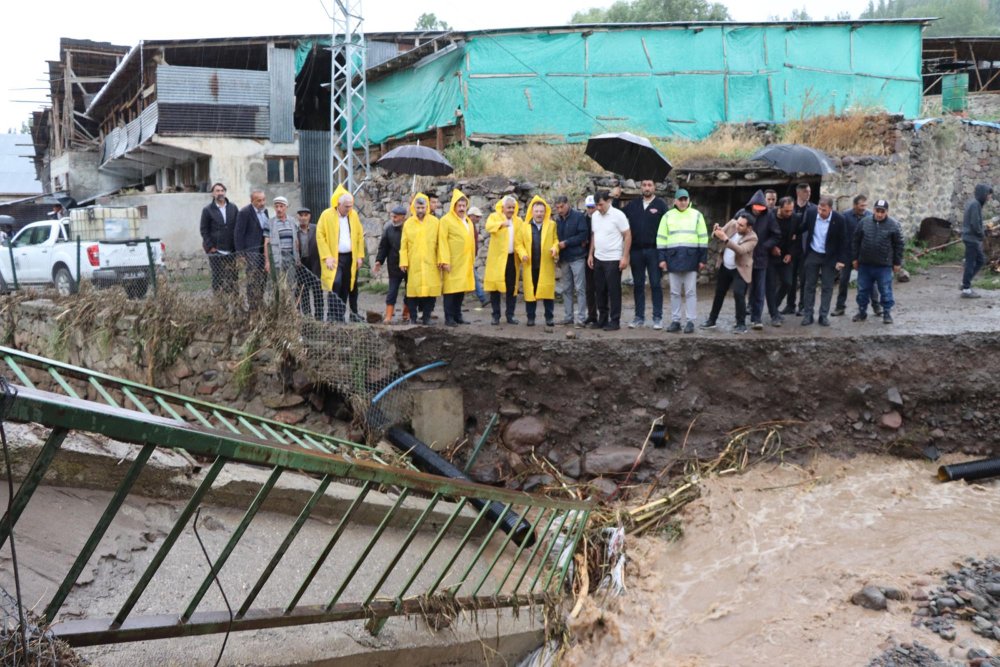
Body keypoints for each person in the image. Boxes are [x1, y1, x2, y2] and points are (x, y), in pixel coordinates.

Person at [614, 180, 667, 329]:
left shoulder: (661, 205)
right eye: (644, 185)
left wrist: (665, 253)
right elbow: (619, 215)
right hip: (636, 250)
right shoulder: (634, 204)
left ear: (654, 187)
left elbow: (668, 226)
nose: (647, 188)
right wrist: (617, 199)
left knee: (655, 284)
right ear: (641, 187)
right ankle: (639, 317)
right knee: (638, 285)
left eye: (650, 185)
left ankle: (657, 318)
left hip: (654, 250)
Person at [656, 188, 707, 334]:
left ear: (689, 200)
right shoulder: (667, 216)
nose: (683, 202)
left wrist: (703, 258)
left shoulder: (697, 215)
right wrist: (662, 259)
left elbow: (703, 238)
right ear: (675, 201)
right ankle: (676, 320)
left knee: (691, 291)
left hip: (691, 258)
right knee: (674, 292)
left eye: (685, 199)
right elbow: (661, 238)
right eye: (681, 199)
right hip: (673, 258)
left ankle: (690, 321)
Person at [701, 211, 758, 334]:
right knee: (719, 293)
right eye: (738, 223)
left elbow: (741, 250)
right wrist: (716, 231)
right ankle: (712, 320)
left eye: (741, 225)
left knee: (739, 294)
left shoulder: (753, 238)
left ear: (749, 228)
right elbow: (716, 235)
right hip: (725, 266)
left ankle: (741, 324)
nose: (738, 226)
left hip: (740, 269)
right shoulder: (732, 223)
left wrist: (725, 238)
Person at [316, 184, 364, 323]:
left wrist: (360, 256)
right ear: (339, 204)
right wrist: (327, 257)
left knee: (348, 285)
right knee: (335, 283)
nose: (349, 209)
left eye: (351, 206)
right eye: (347, 206)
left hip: (351, 257)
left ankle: (343, 315)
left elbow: (359, 236)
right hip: (334, 258)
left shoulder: (353, 215)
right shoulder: (326, 215)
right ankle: (333, 314)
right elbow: (320, 236)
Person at [799, 195, 849, 326]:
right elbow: (802, 227)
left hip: (830, 256)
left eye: (824, 210)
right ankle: (808, 315)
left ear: (830, 209)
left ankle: (823, 316)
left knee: (827, 286)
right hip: (813, 253)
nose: (821, 212)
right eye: (819, 209)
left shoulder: (839, 219)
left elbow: (843, 241)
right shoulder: (811, 213)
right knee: (809, 285)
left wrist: (841, 260)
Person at [852, 199, 904, 324]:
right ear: (873, 210)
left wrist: (897, 262)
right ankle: (862, 311)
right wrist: (854, 258)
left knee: (885, 290)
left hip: (884, 266)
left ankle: (886, 313)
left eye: (882, 211)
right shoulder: (864, 222)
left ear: (887, 212)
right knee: (862, 290)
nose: (879, 214)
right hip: (865, 264)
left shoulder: (893, 225)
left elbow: (899, 245)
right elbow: (855, 241)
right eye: (877, 211)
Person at [399, 192, 447, 325]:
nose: (420, 210)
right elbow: (403, 245)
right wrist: (403, 261)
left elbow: (441, 243)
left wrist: (442, 259)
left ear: (427, 207)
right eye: (418, 208)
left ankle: (426, 317)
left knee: (431, 291)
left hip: (431, 262)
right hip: (414, 263)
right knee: (412, 292)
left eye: (423, 207)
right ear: (414, 207)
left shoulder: (435, 222)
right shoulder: (408, 223)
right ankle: (413, 318)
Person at [588, 191, 631, 331]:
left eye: (601, 204)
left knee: (614, 290)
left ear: (608, 201)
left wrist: (625, 256)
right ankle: (602, 319)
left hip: (613, 258)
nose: (598, 208)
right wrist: (590, 254)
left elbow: (628, 235)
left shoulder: (618, 215)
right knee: (599, 290)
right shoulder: (595, 216)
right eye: (597, 205)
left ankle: (615, 320)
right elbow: (594, 235)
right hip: (598, 257)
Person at [835, 194, 880, 316]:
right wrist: (840, 257)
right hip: (848, 254)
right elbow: (841, 237)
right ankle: (840, 307)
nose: (864, 208)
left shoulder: (871, 216)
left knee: (870, 281)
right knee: (843, 281)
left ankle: (876, 306)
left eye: (865, 205)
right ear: (855, 205)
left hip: (864, 255)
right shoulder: (845, 216)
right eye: (861, 205)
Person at [484, 195, 526, 325]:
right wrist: (501, 224)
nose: (511, 210)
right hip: (497, 259)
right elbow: (488, 227)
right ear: (503, 207)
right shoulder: (494, 217)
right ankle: (495, 315)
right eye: (509, 207)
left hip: (512, 259)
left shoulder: (518, 221)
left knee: (511, 287)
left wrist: (523, 254)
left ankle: (510, 315)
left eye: (513, 207)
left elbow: (519, 242)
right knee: (495, 287)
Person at [520, 196, 560, 326]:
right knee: (530, 292)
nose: (539, 214)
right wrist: (523, 253)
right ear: (532, 212)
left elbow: (556, 240)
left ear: (545, 212)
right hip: (530, 264)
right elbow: (518, 244)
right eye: (536, 211)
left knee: (548, 292)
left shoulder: (552, 225)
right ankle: (530, 318)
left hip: (546, 264)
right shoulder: (524, 226)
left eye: (541, 211)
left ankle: (549, 318)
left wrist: (555, 248)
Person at [745, 190, 782, 330]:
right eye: (756, 209)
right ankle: (741, 318)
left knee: (760, 290)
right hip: (745, 257)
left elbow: (776, 234)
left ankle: (757, 318)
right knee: (745, 289)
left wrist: (765, 246)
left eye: (761, 209)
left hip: (761, 258)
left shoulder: (769, 216)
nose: (758, 212)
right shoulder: (743, 214)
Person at [440, 189, 476, 326]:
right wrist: (444, 260)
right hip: (452, 262)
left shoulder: (468, 221)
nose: (461, 208)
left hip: (465, 261)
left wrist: (472, 259)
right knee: (450, 291)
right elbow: (442, 241)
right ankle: (449, 318)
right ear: (453, 206)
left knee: (460, 290)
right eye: (459, 206)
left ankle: (458, 315)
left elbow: (471, 241)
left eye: (463, 206)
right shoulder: (445, 220)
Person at [554, 195, 590, 327]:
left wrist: (567, 243)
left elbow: (583, 235)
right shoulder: (558, 220)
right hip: (564, 259)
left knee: (580, 288)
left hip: (577, 258)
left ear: (567, 204)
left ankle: (581, 318)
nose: (560, 210)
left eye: (562, 207)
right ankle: (568, 317)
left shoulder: (578, 217)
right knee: (566, 288)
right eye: (557, 208)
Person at [781, 183, 816, 316]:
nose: (809, 194)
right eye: (806, 192)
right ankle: (790, 305)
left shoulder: (813, 208)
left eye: (810, 191)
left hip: (806, 248)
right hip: (791, 248)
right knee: (790, 279)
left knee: (805, 279)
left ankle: (802, 306)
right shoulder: (790, 207)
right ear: (798, 193)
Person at [199, 182, 239, 294]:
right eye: (217, 191)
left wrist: (238, 247)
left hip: (232, 251)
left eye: (222, 190)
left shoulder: (233, 208)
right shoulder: (207, 210)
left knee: (233, 277)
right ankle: (220, 305)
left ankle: (235, 302)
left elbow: (238, 227)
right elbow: (204, 230)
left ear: (225, 192)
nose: (220, 193)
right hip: (216, 251)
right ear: (213, 194)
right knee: (218, 278)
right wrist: (211, 247)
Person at [234, 189, 269, 310]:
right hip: (251, 252)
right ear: (252, 201)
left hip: (263, 252)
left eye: (263, 200)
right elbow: (238, 234)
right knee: (252, 278)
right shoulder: (245, 212)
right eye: (259, 200)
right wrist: (241, 254)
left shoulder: (265, 212)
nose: (262, 203)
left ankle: (260, 301)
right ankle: (253, 306)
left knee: (263, 277)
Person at [768, 197, 798, 327]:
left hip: (785, 256)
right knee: (771, 285)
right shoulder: (769, 216)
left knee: (788, 282)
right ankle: (774, 314)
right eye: (786, 211)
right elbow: (762, 235)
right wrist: (771, 247)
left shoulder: (794, 218)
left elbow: (795, 238)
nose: (789, 213)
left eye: (791, 211)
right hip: (769, 256)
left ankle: (774, 306)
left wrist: (790, 253)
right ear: (779, 208)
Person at [374, 205, 407, 323]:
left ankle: (406, 313)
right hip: (394, 265)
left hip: (409, 265)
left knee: (410, 291)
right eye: (392, 216)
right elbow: (383, 247)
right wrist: (379, 261)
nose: (393, 219)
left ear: (403, 217)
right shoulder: (388, 229)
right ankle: (388, 316)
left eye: (396, 217)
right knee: (392, 290)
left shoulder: (409, 228)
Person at [961, 183, 993, 298]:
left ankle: (965, 282)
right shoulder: (975, 205)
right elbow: (975, 224)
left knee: (981, 260)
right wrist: (982, 235)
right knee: (971, 263)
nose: (990, 197)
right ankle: (966, 289)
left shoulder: (975, 204)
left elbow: (977, 222)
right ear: (983, 194)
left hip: (971, 238)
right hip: (971, 239)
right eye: (988, 195)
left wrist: (983, 230)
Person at [263, 196, 298, 293]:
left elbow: (296, 240)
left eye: (281, 206)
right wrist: (267, 261)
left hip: (290, 258)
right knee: (273, 285)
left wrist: (297, 257)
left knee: (290, 285)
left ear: (286, 207)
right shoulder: (270, 223)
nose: (279, 209)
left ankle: (288, 306)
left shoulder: (292, 221)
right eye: (277, 206)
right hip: (276, 258)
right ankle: (273, 307)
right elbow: (266, 243)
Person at [294, 207, 322, 317]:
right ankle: (307, 315)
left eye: (306, 215)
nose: (303, 218)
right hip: (301, 264)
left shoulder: (316, 228)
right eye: (301, 215)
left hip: (315, 263)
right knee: (303, 290)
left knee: (317, 289)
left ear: (309, 216)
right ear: (298, 217)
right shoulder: (295, 230)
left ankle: (319, 315)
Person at [467, 206, 490, 308]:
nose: (478, 219)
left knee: (473, 276)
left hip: (470, 256)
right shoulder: (468, 225)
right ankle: (482, 298)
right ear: (471, 216)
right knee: (474, 276)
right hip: (466, 257)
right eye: (477, 217)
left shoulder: (471, 226)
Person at [582, 195, 599, 325]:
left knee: (602, 287)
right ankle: (592, 315)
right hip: (587, 256)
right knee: (589, 288)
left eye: (592, 207)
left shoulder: (602, 218)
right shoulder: (583, 219)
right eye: (588, 207)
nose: (590, 210)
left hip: (602, 255)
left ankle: (604, 315)